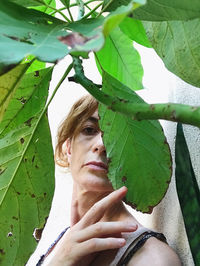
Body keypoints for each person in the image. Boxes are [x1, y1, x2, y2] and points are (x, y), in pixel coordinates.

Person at [37, 94, 181, 266]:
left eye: (116, 138)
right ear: (68, 148)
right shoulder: (59, 243)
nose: (102, 144)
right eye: (89, 130)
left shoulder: (152, 258)